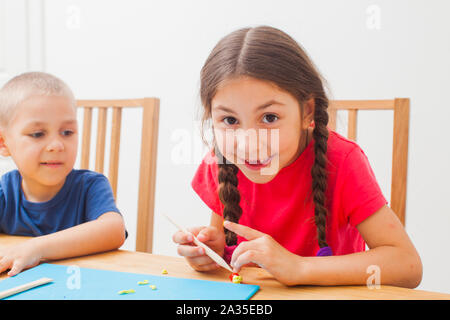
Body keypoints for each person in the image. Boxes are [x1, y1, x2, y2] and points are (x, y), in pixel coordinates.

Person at [172, 26, 422, 287]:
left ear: (307, 112)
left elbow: (407, 265)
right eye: (230, 120)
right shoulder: (222, 161)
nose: (249, 144)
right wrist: (210, 253)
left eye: (269, 118)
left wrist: (300, 267)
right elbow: (226, 246)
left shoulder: (341, 161)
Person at [0, 72, 126, 276]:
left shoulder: (90, 186)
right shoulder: (5, 192)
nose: (57, 145)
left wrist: (36, 248)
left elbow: (114, 230)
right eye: (38, 134)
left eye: (67, 132)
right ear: (3, 143)